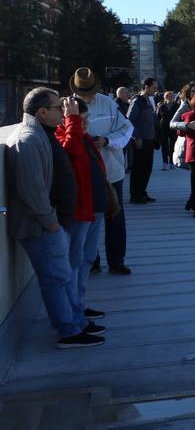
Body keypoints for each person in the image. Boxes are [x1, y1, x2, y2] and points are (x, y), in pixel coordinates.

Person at [4, 88, 102, 348]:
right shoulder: (28, 140)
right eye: (58, 107)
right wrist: (52, 223)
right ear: (41, 112)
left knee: (61, 277)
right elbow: (31, 190)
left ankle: (74, 322)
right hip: (42, 227)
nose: (63, 111)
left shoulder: (41, 134)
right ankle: (68, 332)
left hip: (50, 224)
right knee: (56, 279)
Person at [54, 97, 111, 333]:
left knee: (87, 257)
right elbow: (71, 152)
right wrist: (73, 121)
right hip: (80, 211)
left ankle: (80, 304)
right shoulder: (64, 137)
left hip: (94, 209)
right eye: (81, 119)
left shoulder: (81, 135)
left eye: (86, 120)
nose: (85, 124)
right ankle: (74, 312)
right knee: (75, 260)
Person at [72, 68, 134, 276]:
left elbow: (127, 129)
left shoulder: (108, 103)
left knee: (115, 217)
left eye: (90, 91)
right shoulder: (67, 106)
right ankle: (92, 260)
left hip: (111, 170)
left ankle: (117, 260)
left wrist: (107, 141)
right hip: (83, 174)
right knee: (86, 220)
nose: (87, 96)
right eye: (83, 92)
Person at [126, 77, 159, 204]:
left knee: (147, 168)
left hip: (149, 139)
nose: (156, 90)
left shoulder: (148, 100)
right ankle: (135, 195)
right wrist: (137, 137)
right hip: (141, 140)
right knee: (139, 168)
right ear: (146, 87)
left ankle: (142, 192)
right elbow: (129, 120)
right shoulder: (137, 100)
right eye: (154, 87)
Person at [156, 91, 179, 170]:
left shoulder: (176, 106)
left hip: (173, 128)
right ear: (165, 97)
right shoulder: (161, 106)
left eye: (172, 96)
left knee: (173, 145)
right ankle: (165, 163)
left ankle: (172, 163)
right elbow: (157, 117)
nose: (171, 98)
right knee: (164, 146)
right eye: (169, 96)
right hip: (163, 128)